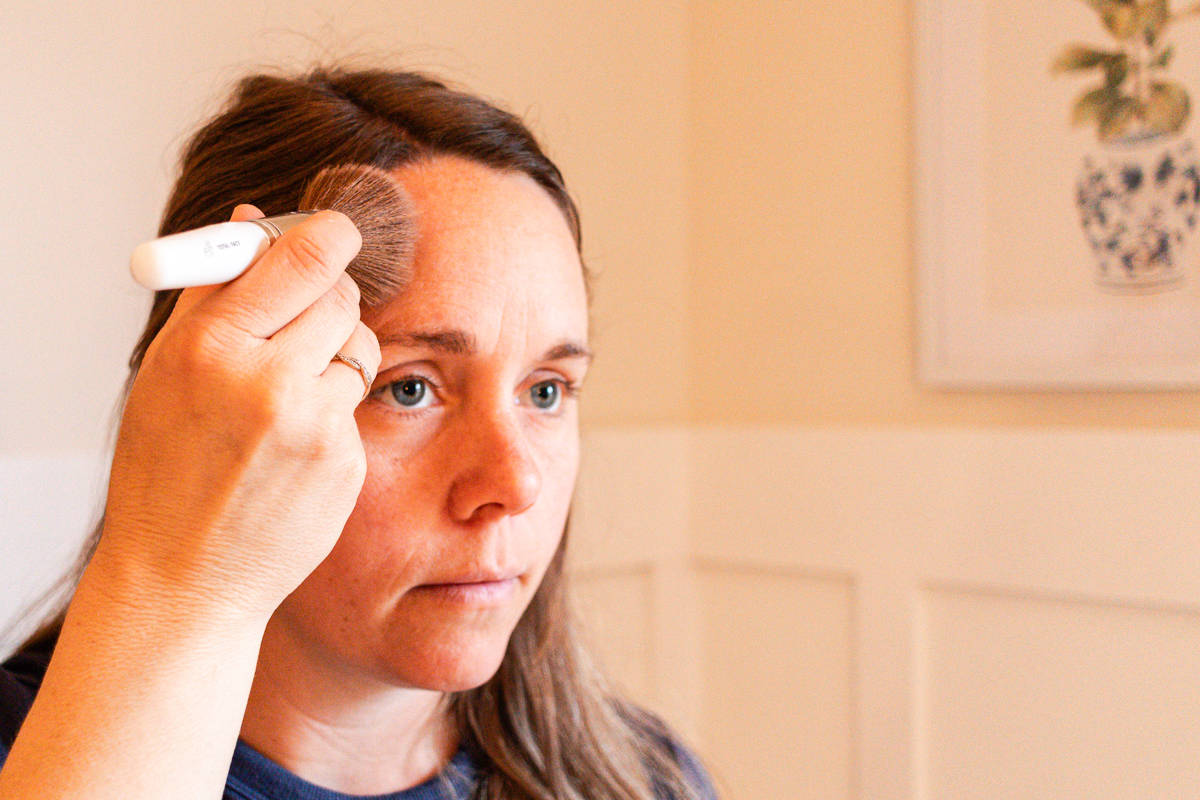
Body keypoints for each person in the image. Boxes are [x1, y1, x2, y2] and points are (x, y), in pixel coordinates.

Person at [0, 67, 717, 800]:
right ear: (206, 410)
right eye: (409, 389)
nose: (515, 484)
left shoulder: (647, 778)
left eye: (546, 391)